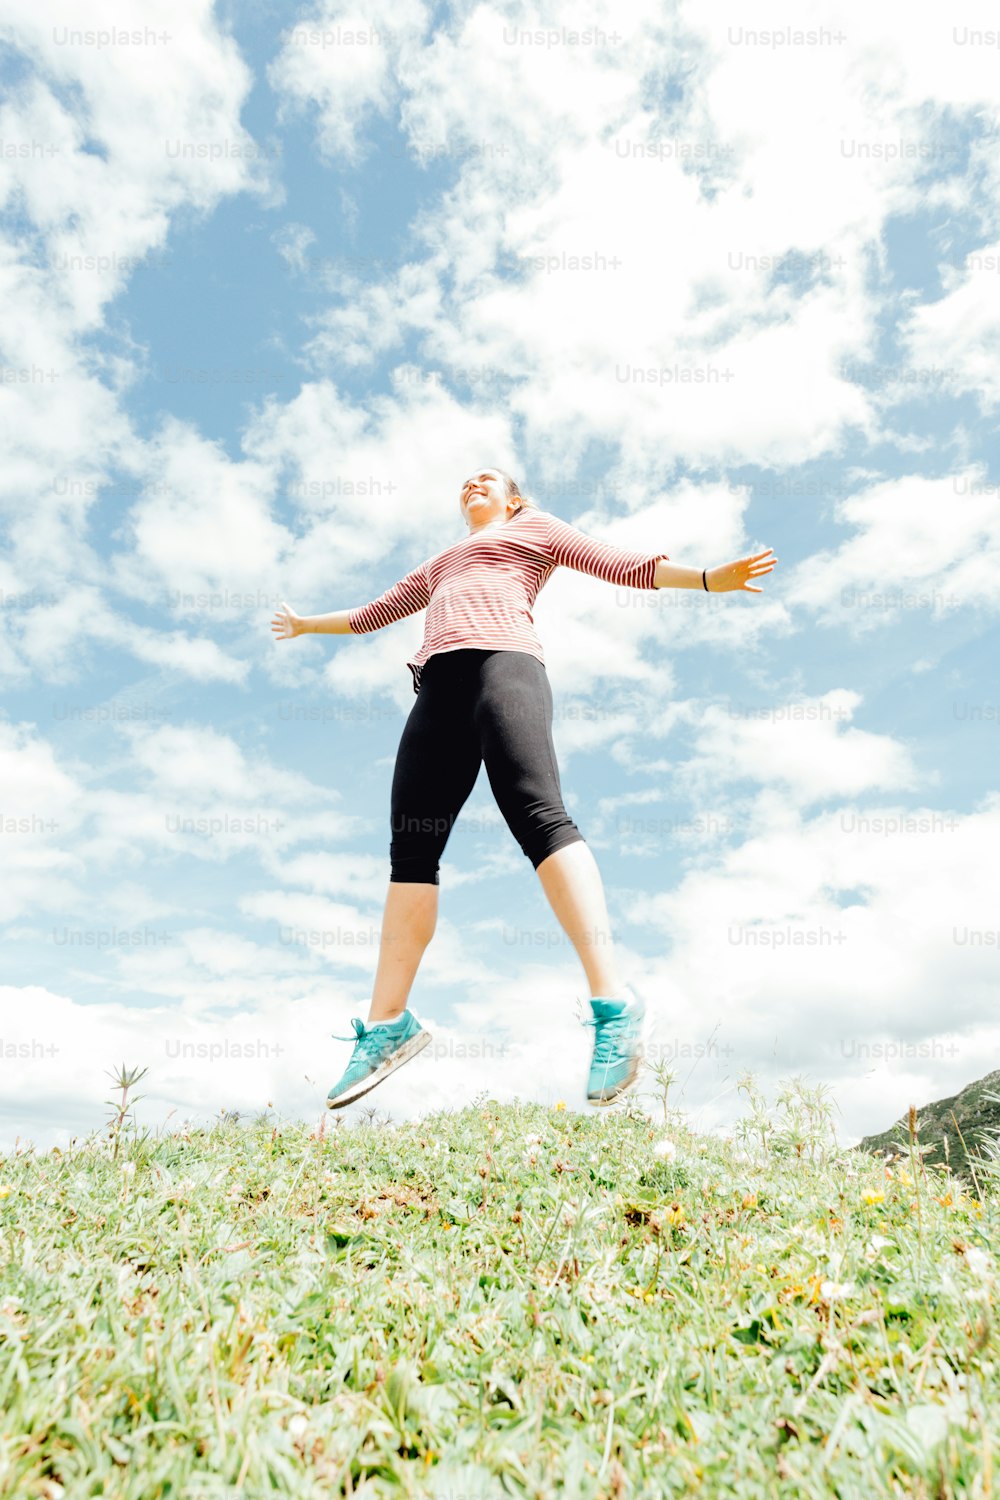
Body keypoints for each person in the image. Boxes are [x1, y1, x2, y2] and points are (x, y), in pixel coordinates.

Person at [271, 468, 777, 1110]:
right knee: (410, 851)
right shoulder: (440, 562)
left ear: (513, 498)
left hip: (504, 668)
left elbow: (616, 564)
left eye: (489, 477)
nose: (472, 481)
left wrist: (706, 578)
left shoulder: (531, 527)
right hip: (437, 690)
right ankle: (387, 1025)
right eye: (463, 480)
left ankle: (614, 1005)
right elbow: (375, 613)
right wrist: (306, 625)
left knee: (538, 815)